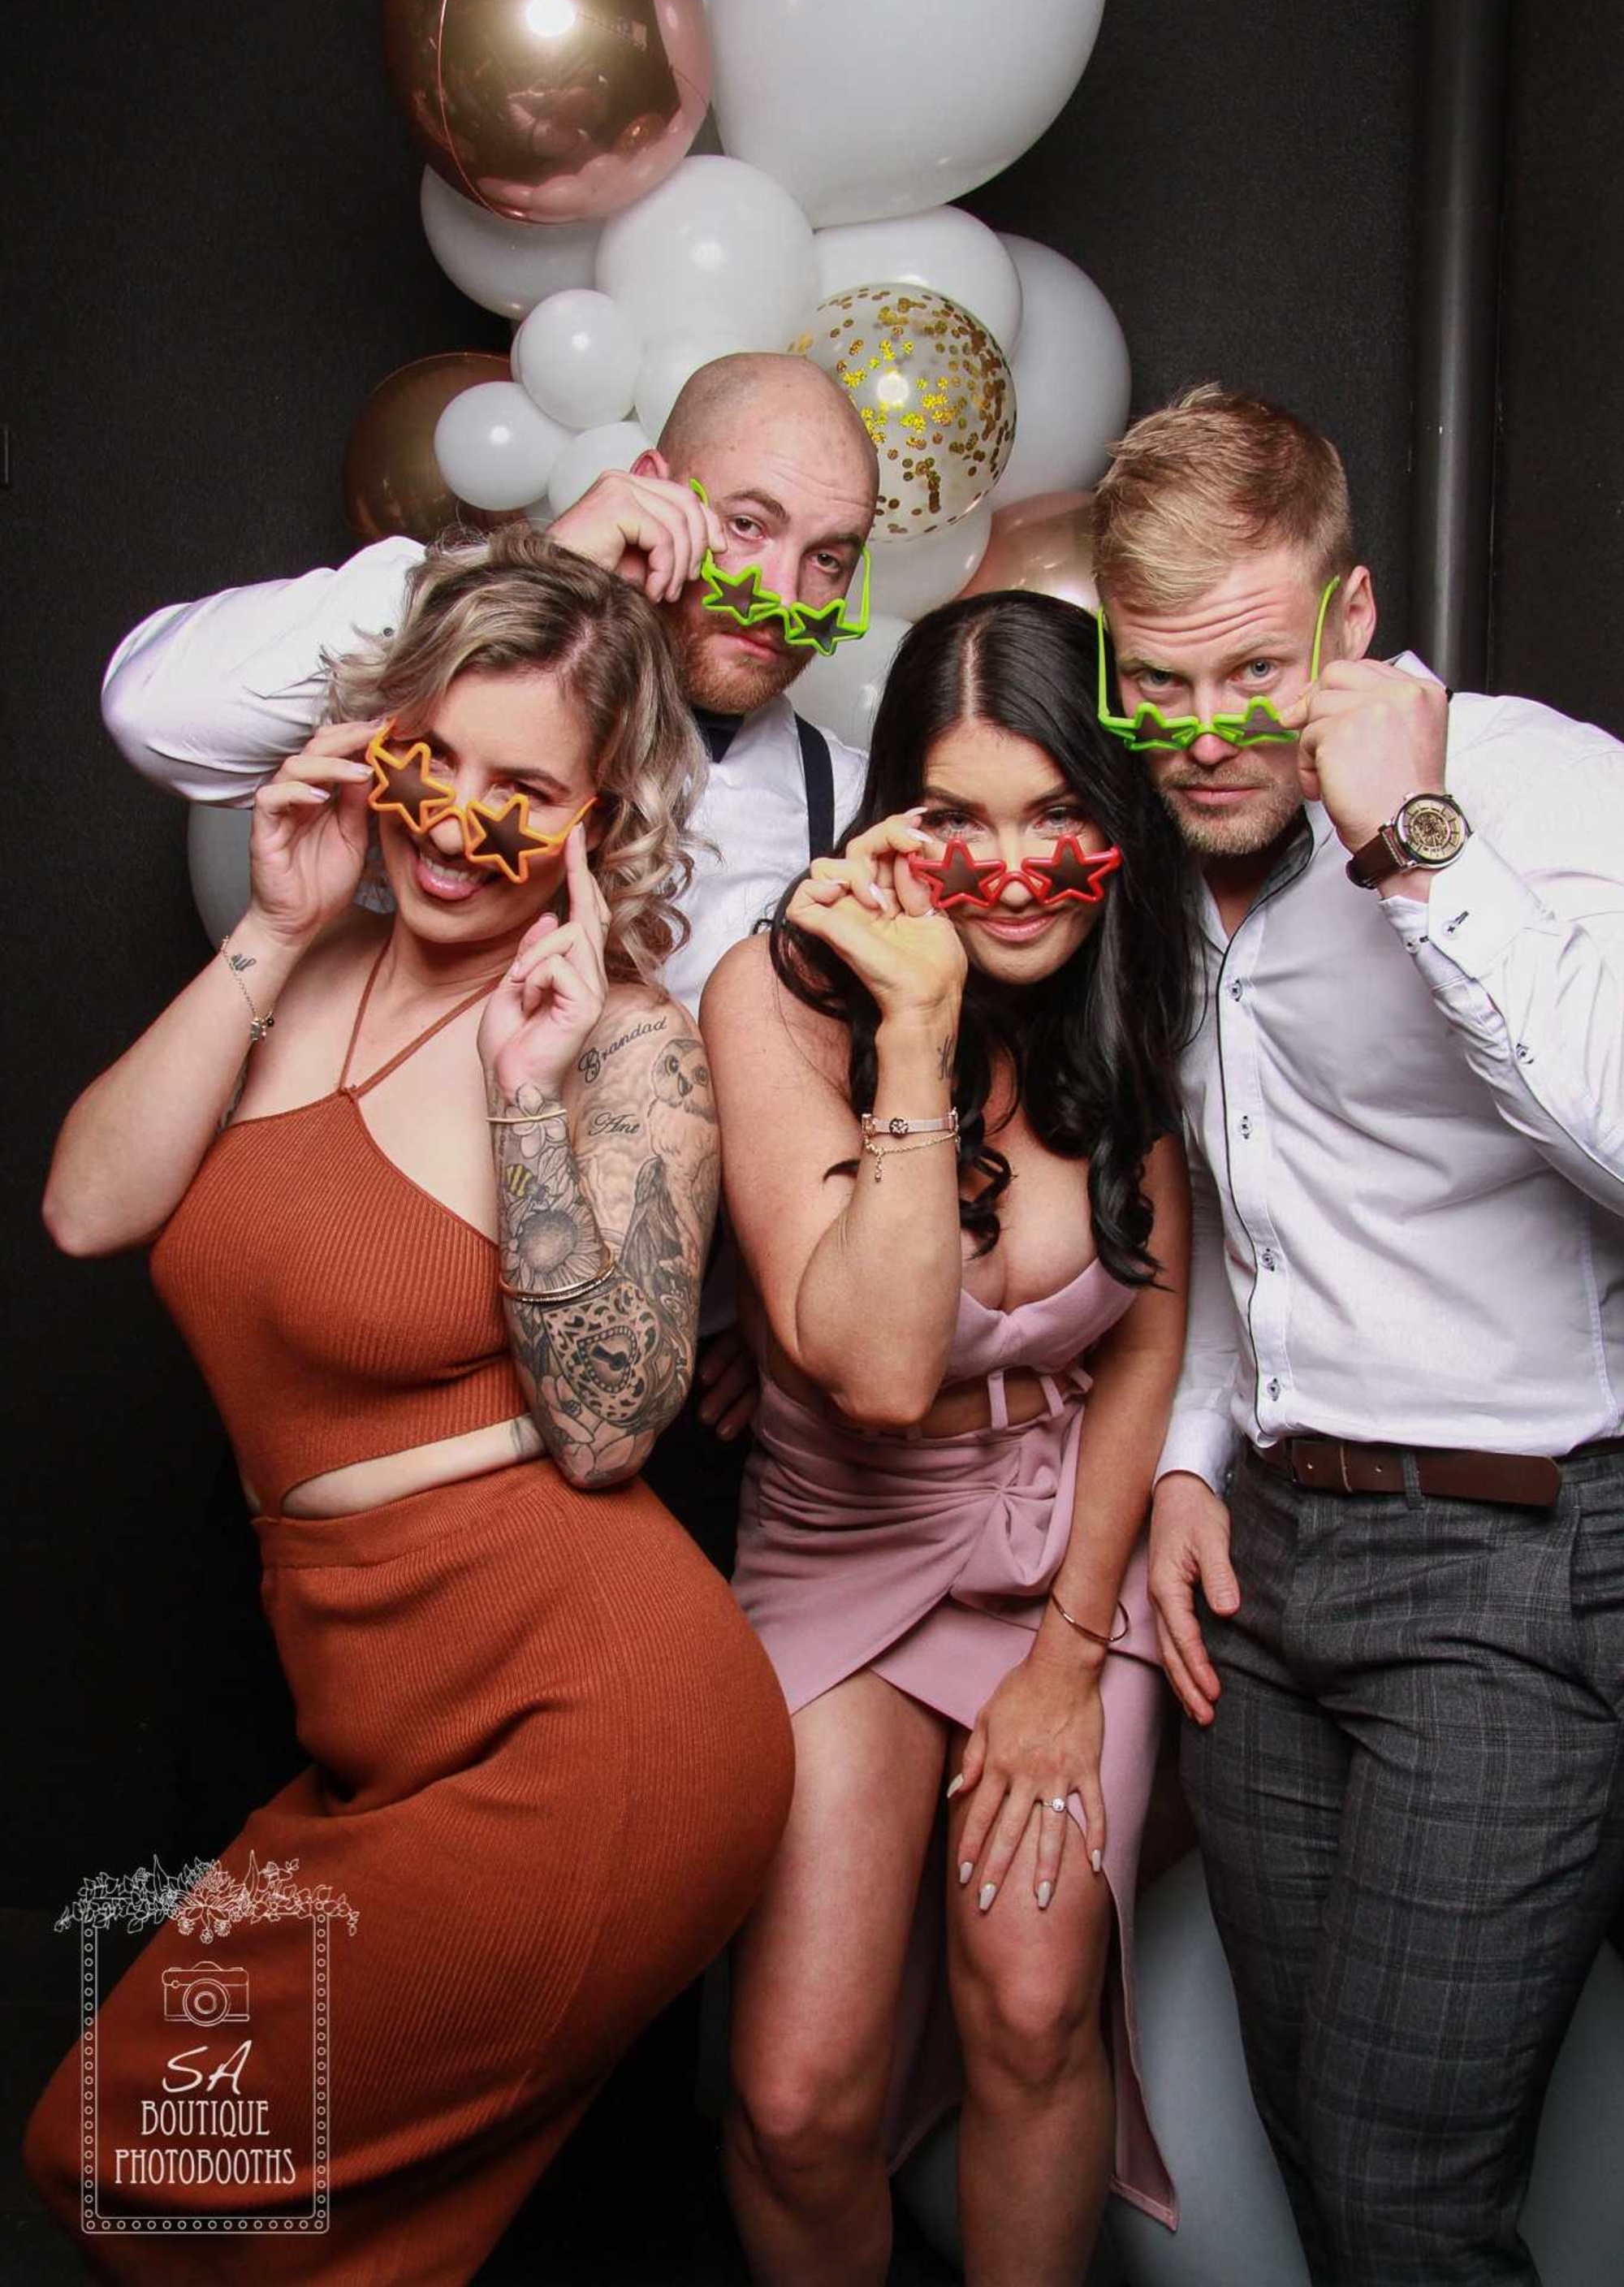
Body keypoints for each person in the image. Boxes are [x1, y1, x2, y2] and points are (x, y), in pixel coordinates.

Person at [24, 529, 794, 2276]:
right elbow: (86, 1203)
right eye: (426, 758)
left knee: (166, 2161)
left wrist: (525, 1100)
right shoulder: (297, 970)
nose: (455, 818)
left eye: (523, 785)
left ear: (600, 820)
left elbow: (609, 1428)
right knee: (180, 2173)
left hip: (590, 1725)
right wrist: (274, 926)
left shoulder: (625, 1046)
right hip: (379, 1719)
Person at [1095, 387, 1624, 2285]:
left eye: (1250, 671)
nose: (1205, 733)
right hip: (1271, 1577)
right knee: (1322, 2146)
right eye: (1155, 685)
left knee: (1408, 2193)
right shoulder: (1159, 868)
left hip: (1513, 1559)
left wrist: (1413, 838)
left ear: (1352, 616)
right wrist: (1180, 1460)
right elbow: (1252, 1220)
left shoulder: (1536, 786)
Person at [99, 349, 881, 1553]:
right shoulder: (458, 698)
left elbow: (862, 1102)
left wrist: (766, 1305)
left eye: (830, 557)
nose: (785, 592)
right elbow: (155, 714)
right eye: (747, 526)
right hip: (351, 1337)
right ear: (658, 490)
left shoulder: (853, 797)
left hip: (620, 1413)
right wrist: (542, 570)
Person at [701, 591, 1198, 2286]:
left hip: (1057, 1547)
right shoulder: (775, 1003)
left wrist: (1071, 1651)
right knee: (792, 2097)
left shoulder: (1135, 982)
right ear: (890, 828)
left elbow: (1144, 1337)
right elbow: (880, 1367)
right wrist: (913, 1028)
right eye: (958, 817)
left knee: (1037, 2001)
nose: (1011, 866)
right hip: (844, 1533)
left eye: (1057, 812)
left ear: (1112, 821)